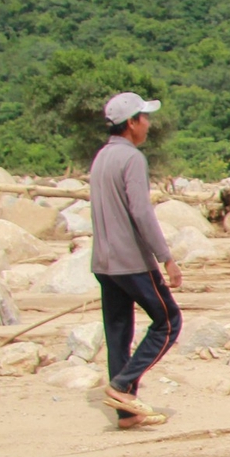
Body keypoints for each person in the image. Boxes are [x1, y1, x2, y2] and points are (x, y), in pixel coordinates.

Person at [90, 92, 182, 429]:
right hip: (131, 261)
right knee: (168, 322)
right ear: (131, 123)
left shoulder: (101, 157)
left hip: (104, 261)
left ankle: (126, 414)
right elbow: (141, 212)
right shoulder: (132, 159)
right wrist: (166, 258)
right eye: (144, 117)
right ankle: (121, 387)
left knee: (119, 333)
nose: (148, 124)